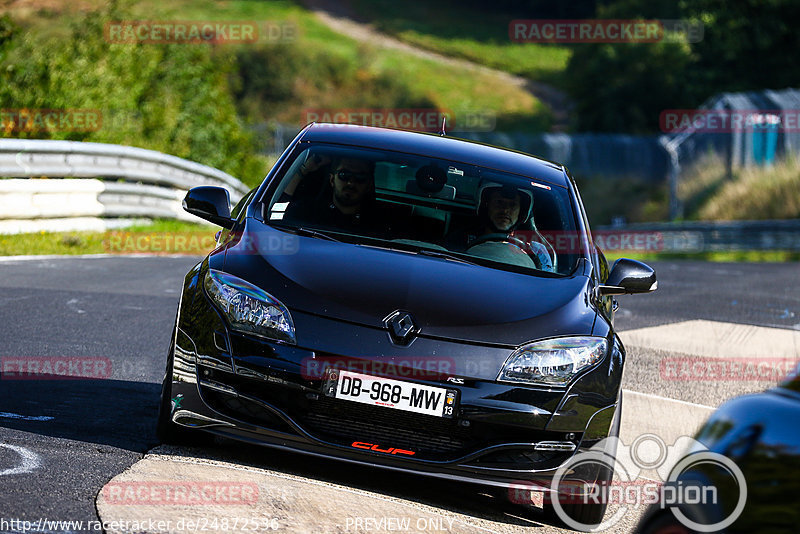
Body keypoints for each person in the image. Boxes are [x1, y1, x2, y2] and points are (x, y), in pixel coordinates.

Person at [446, 183, 554, 271]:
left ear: (522, 212)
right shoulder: (460, 240)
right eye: (499, 202)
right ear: (486, 206)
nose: (505, 210)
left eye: (512, 205)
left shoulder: (537, 251)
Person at [278, 155, 390, 236]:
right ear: (332, 180)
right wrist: (304, 170)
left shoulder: (381, 224)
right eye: (344, 175)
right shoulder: (307, 212)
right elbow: (277, 211)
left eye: (360, 178)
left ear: (369, 185)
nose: (351, 183)